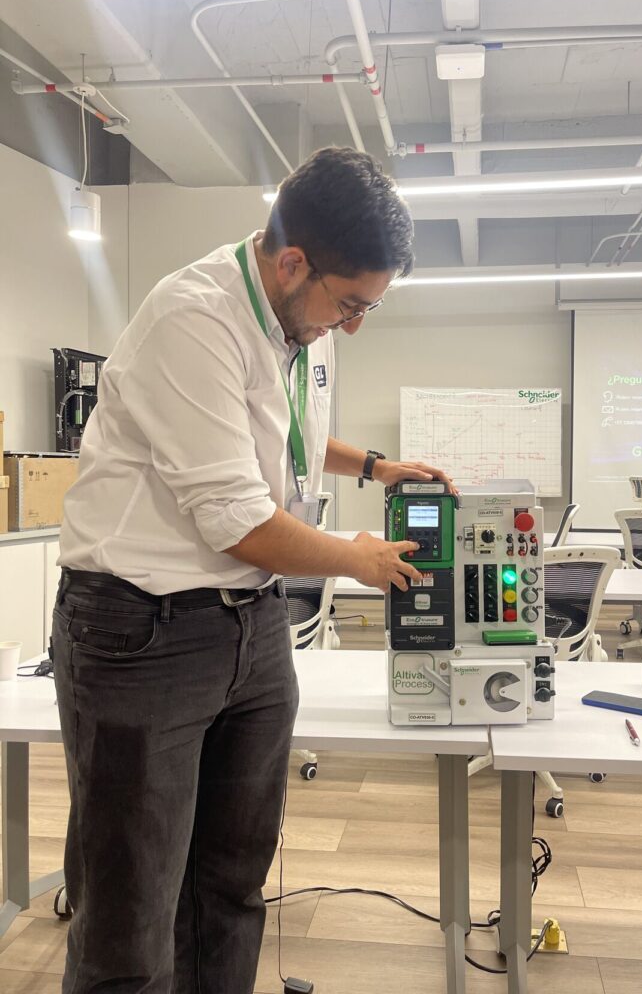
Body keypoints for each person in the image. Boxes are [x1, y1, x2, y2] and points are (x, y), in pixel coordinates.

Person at [52, 146, 453, 994]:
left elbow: (278, 432)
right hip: (141, 628)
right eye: (351, 304)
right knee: (132, 913)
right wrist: (358, 559)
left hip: (252, 623)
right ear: (293, 261)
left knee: (230, 885)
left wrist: (374, 466)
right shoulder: (193, 318)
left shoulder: (301, 321)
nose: (353, 325)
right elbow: (238, 521)